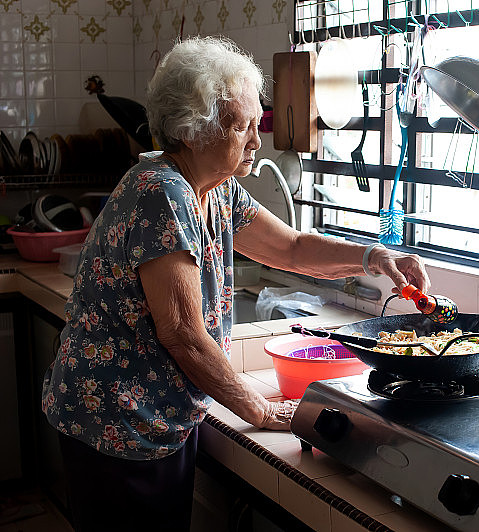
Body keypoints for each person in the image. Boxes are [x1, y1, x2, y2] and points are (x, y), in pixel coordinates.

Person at [41, 36, 429, 532]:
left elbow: (290, 248)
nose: (256, 141)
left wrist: (375, 256)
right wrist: (259, 409)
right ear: (194, 129)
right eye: (242, 126)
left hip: (153, 418)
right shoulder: (161, 192)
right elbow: (182, 334)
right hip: (116, 425)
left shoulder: (216, 190)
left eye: (255, 123)